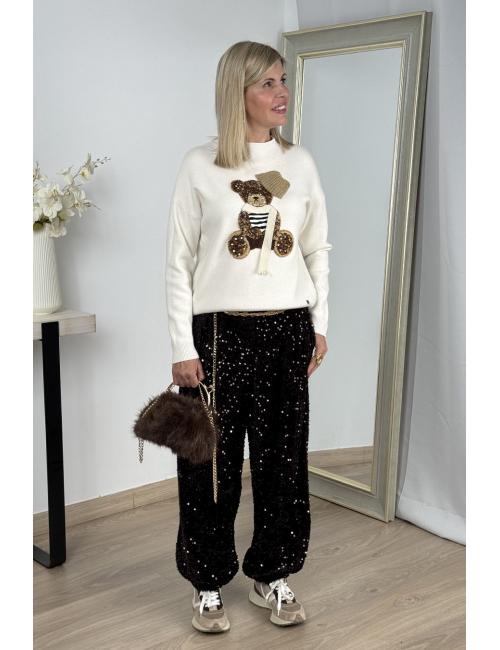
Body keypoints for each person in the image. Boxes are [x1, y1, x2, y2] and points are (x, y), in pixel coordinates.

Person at [165, 40, 332, 634]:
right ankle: (208, 581)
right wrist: (182, 347)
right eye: (267, 83)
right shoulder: (199, 166)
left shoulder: (300, 163)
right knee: (209, 464)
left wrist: (319, 323)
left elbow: (317, 249)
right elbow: (178, 262)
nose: (281, 92)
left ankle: (273, 573)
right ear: (237, 92)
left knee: (283, 459)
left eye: (283, 80)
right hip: (217, 333)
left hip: (287, 329)